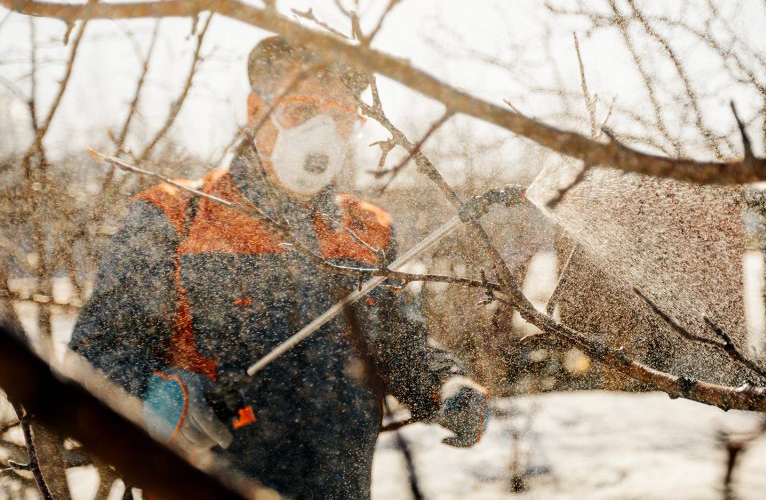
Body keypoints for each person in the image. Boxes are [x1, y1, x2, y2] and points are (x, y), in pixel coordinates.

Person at [69, 36, 489, 499]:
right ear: (256, 111)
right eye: (300, 112)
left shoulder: (366, 232)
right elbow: (97, 349)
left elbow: (398, 347)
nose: (322, 134)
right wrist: (156, 398)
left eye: (341, 120)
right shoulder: (174, 216)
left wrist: (444, 383)